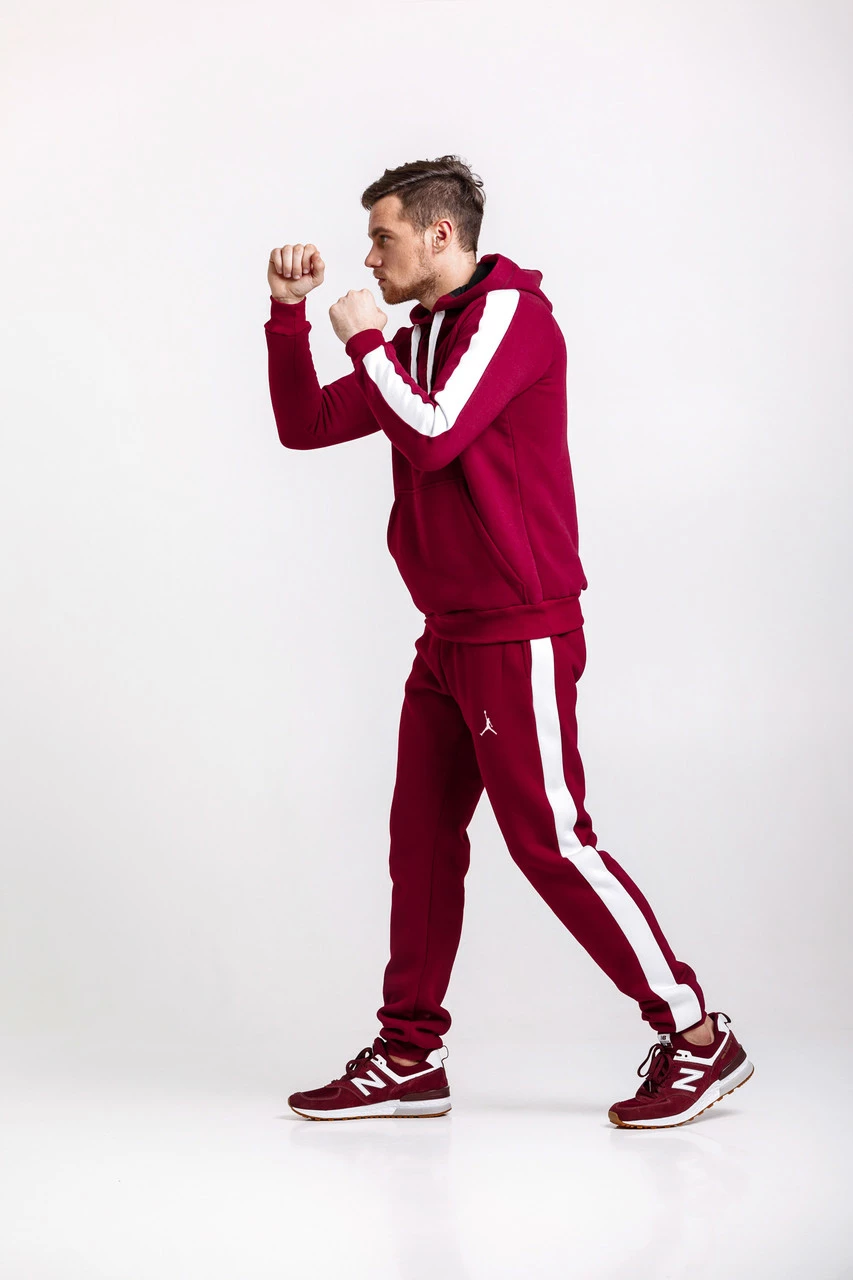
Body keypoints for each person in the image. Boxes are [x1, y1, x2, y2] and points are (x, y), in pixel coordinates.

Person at [263, 154, 754, 1128]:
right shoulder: (419, 336)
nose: (371, 258)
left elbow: (433, 433)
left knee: (551, 842)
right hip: (447, 634)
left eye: (383, 238)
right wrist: (287, 318)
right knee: (420, 842)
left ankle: (698, 1034)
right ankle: (409, 1052)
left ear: (439, 234)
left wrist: (363, 340)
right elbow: (305, 424)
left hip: (515, 630)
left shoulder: (510, 319)